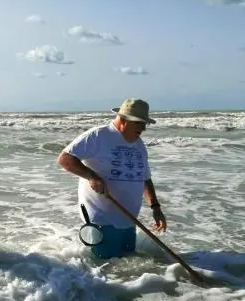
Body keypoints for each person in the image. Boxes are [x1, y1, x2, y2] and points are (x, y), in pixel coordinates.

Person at [57, 98, 167, 259]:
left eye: (145, 124)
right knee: (106, 269)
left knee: (126, 269)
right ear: (123, 120)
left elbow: (144, 178)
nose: (143, 128)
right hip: (102, 219)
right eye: (139, 123)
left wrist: (156, 208)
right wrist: (92, 177)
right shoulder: (98, 136)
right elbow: (65, 159)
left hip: (129, 220)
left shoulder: (139, 145)